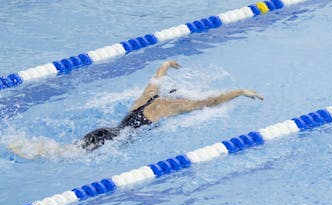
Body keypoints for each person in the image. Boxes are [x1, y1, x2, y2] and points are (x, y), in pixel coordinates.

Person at [78, 60, 262, 151]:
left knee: (71, 150)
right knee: (74, 155)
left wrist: (166, 65)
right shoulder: (171, 106)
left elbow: (156, 79)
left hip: (106, 130)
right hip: (118, 139)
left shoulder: (148, 95)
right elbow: (212, 102)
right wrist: (240, 92)